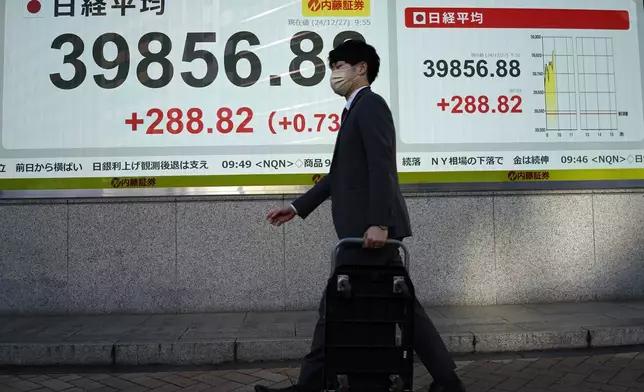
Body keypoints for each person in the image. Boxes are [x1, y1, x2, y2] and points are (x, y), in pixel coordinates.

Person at [255, 40, 466, 392]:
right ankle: (448, 382)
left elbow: (383, 167)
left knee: (334, 310)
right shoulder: (354, 110)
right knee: (404, 310)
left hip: (369, 233)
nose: (334, 73)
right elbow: (338, 176)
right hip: (365, 231)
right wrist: (296, 207)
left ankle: (308, 386)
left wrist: (380, 223)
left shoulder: (371, 106)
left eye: (339, 65)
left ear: (361, 68)